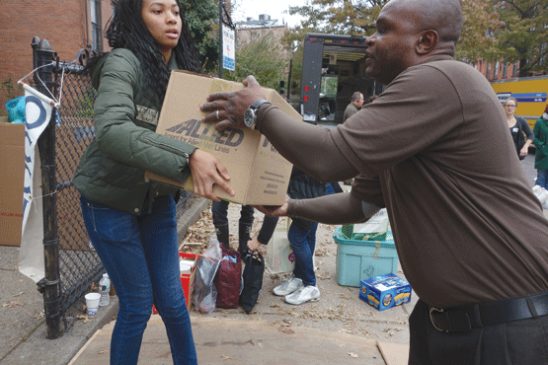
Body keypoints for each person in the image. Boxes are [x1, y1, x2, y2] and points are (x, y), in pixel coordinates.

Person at [201, 0, 548, 363]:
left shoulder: (442, 78)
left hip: (505, 327)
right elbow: (360, 204)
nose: (370, 39)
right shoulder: (407, 108)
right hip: (451, 322)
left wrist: (258, 110)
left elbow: (329, 156)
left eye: (384, 30)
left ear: (425, 42)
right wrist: (291, 207)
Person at [73, 1, 234, 364]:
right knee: (137, 304)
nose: (171, 18)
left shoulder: (183, 73)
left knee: (174, 302)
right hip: (108, 200)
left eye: (175, 10)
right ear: (136, 17)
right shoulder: (123, 63)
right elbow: (112, 130)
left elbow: (203, 135)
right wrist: (188, 157)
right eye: (157, 10)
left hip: (157, 198)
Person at [248, 168, 326, 305]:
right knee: (307, 234)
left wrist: (260, 240)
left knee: (296, 236)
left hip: (307, 191)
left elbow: (273, 209)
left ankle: (310, 285)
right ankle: (300, 278)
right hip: (314, 187)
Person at [533, 105, 548, 189]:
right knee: (541, 182)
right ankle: (537, 201)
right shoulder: (540, 122)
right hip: (542, 156)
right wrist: (542, 146)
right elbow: (534, 137)